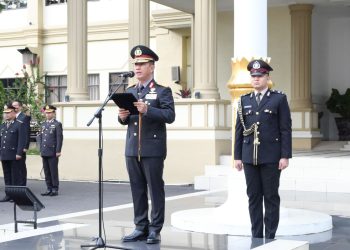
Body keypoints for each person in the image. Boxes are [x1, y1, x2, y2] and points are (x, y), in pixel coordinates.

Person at [118, 45, 175, 244]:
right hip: (133, 147)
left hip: (152, 149)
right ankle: (140, 226)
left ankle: (155, 229)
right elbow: (128, 120)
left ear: (151, 67)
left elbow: (169, 116)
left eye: (142, 64)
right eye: (136, 64)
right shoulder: (130, 90)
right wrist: (122, 117)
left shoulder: (162, 91)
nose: (138, 67)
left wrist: (147, 110)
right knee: (137, 188)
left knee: (155, 189)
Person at [234, 59, 292, 239]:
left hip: (271, 157)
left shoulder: (279, 99)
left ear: (267, 77)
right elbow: (239, 131)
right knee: (253, 197)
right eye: (253, 76)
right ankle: (257, 235)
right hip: (249, 156)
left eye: (260, 76)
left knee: (271, 197)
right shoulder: (244, 100)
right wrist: (237, 156)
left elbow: (285, 129)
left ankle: (271, 235)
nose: (256, 79)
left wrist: (285, 155)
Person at [0, 104, 26, 202]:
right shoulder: (2, 125)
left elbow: (21, 140)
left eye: (8, 113)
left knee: (15, 176)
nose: (6, 115)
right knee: (7, 176)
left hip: (14, 154)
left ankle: (16, 196)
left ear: (14, 113)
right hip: (4, 154)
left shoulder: (19, 124)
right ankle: (9, 195)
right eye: (5, 113)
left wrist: (19, 153)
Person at [37, 105, 63, 197]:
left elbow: (59, 138)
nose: (47, 114)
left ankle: (55, 188)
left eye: (49, 113)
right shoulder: (43, 124)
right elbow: (40, 137)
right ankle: (49, 188)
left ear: (53, 113)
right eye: (46, 113)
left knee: (53, 171)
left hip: (52, 151)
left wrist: (58, 150)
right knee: (47, 171)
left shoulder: (57, 124)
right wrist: (40, 149)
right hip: (44, 151)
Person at [12, 100, 31, 186]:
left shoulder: (24, 117)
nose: (14, 107)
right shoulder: (12, 117)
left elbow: (27, 132)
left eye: (16, 106)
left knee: (21, 167)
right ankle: (16, 185)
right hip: (13, 147)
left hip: (21, 146)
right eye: (13, 106)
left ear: (20, 107)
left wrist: (26, 146)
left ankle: (23, 185)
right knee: (14, 167)